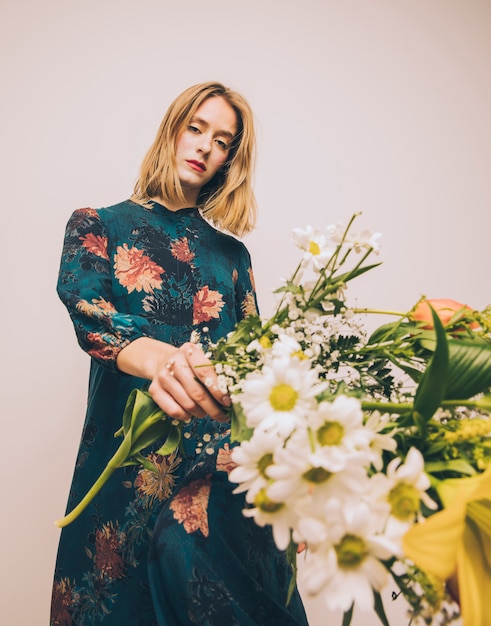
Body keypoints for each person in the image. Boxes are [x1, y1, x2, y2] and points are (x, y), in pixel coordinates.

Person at [51, 82, 309, 626]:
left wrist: (289, 484)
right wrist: (164, 361)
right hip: (127, 475)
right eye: (195, 127)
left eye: (222, 140)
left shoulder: (233, 258)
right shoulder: (98, 225)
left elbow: (258, 381)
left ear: (229, 160)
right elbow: (92, 317)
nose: (205, 146)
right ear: (172, 129)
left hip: (218, 482)